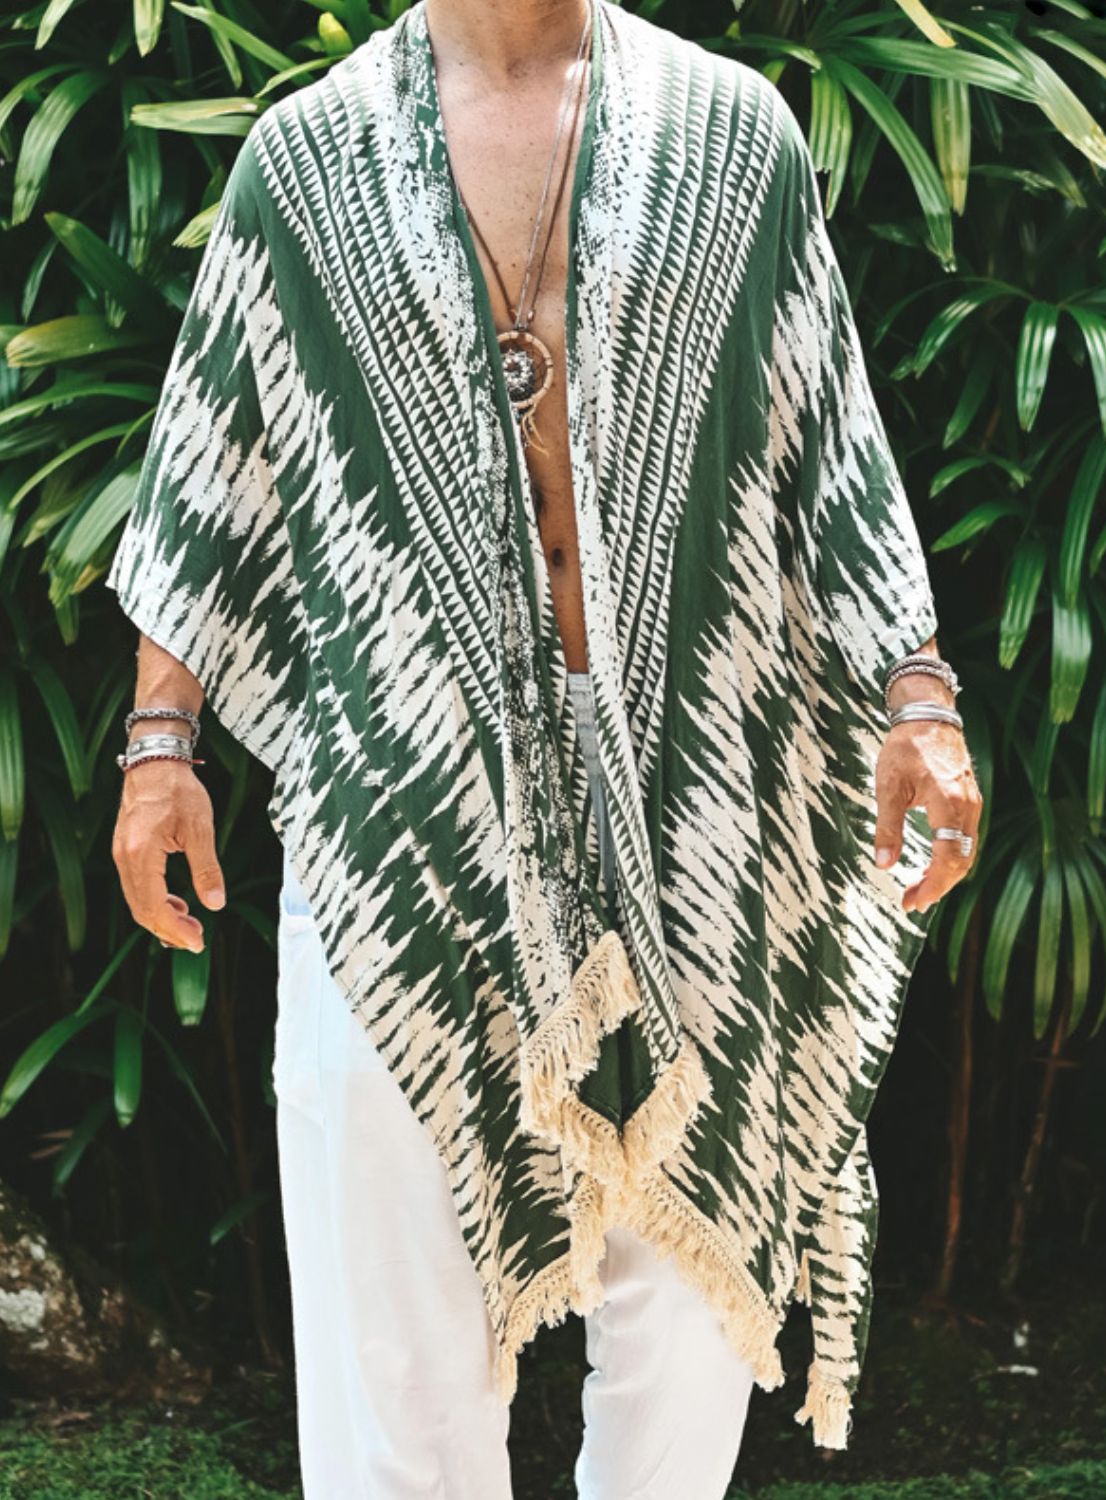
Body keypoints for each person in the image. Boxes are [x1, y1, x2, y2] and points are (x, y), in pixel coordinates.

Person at [108, 0, 983, 1494]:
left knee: (690, 1319)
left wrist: (919, 699)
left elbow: (828, 434)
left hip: (697, 793)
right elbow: (211, 466)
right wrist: (158, 746)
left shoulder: (730, 134)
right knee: (391, 1333)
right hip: (400, 800)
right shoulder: (303, 163)